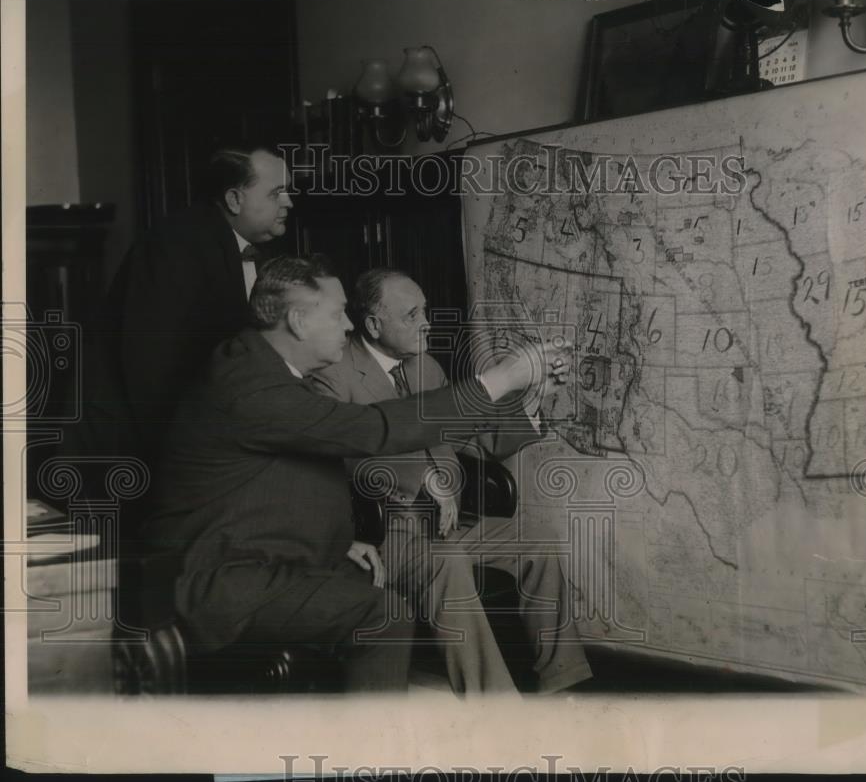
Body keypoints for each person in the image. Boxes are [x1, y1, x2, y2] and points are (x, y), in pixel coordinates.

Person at [143, 256, 568, 693]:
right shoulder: (254, 385)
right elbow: (369, 433)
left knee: (393, 607)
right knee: (385, 615)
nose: (348, 326)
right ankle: (398, 744)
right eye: (337, 314)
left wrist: (342, 539)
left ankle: (545, 688)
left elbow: (271, 484)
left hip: (290, 555)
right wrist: (500, 378)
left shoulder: (266, 369)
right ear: (298, 321)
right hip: (227, 581)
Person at [311, 268, 593, 695]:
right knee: (448, 562)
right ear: (373, 325)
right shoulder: (333, 375)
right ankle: (494, 706)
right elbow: (338, 459)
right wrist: (421, 476)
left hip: (451, 521)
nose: (427, 322)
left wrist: (535, 400)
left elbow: (474, 438)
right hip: (389, 532)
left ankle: (563, 681)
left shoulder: (425, 364)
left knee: (537, 539)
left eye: (425, 310)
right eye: (412, 315)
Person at [115, 143, 293, 464]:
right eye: (275, 193)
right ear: (234, 200)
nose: (288, 203)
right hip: (154, 444)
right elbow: (150, 366)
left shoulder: (250, 249)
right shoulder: (174, 245)